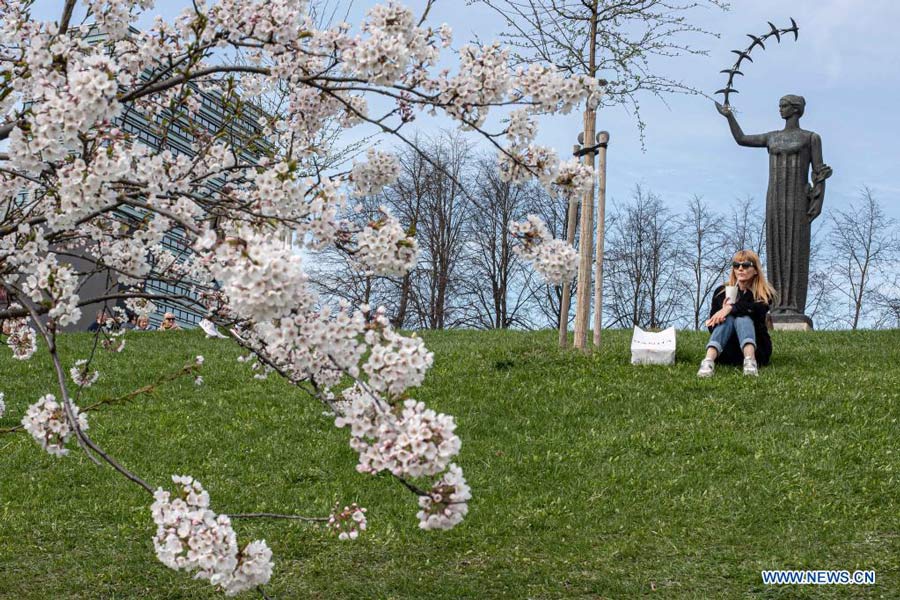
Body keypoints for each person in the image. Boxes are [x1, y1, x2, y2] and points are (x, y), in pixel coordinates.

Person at [716, 96, 832, 320]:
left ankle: (794, 307)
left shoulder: (810, 138)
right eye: (779, 105)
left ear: (796, 109)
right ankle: (778, 305)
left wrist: (818, 200)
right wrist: (729, 116)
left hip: (798, 198)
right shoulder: (772, 137)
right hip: (776, 199)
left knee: (796, 248)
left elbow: (819, 172)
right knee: (776, 246)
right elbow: (741, 139)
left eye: (784, 106)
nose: (780, 109)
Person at [698, 250, 775, 378]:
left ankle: (750, 361)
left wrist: (730, 309)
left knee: (742, 318)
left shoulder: (764, 294)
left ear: (755, 270)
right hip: (727, 351)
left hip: (758, 349)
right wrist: (722, 315)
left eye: (745, 265)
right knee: (727, 320)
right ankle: (708, 361)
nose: (740, 269)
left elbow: (756, 311)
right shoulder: (721, 293)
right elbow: (711, 327)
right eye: (736, 265)